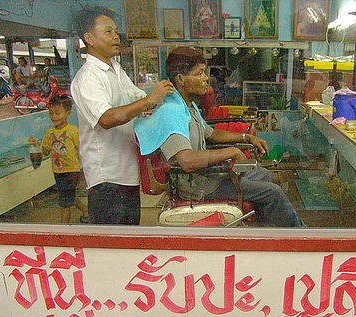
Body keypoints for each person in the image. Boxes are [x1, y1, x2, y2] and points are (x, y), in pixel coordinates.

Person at [159, 47, 304, 227]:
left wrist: (246, 137)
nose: (206, 79)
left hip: (205, 176)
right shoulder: (172, 112)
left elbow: (212, 134)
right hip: (197, 185)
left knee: (264, 174)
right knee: (273, 192)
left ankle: (266, 231)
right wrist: (232, 152)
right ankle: (300, 235)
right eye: (200, 73)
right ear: (180, 78)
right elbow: (186, 160)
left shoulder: (187, 107)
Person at [70, 6, 173, 225]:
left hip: (127, 173)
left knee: (129, 240)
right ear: (89, 38)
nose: (116, 36)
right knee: (113, 245)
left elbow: (138, 99)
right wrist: (149, 100)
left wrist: (162, 99)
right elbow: (106, 119)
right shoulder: (87, 78)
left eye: (116, 31)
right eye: (108, 32)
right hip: (107, 178)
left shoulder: (116, 70)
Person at [29, 95, 89, 224]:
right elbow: (45, 152)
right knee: (67, 197)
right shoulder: (49, 133)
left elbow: (82, 151)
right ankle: (85, 210)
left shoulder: (73, 131)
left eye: (57, 113)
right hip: (58, 172)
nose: (54, 116)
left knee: (64, 203)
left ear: (68, 113)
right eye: (51, 113)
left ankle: (63, 229)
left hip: (72, 172)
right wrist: (36, 145)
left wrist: (84, 171)